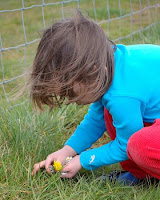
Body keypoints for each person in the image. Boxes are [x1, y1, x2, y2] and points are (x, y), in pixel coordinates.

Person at [30, 9, 160, 185]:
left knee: (140, 146)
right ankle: (144, 175)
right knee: (109, 114)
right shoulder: (109, 66)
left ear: (93, 72)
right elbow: (96, 119)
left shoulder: (122, 95)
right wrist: (67, 151)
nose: (72, 101)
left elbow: (126, 143)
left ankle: (149, 172)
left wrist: (83, 160)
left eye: (71, 92)